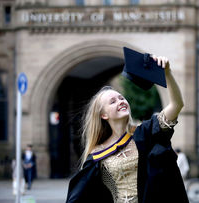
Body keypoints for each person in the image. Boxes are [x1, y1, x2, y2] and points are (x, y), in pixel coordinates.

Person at [66, 55, 189, 203]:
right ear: (103, 115)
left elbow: (177, 105)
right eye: (113, 101)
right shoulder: (97, 153)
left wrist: (167, 74)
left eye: (121, 98)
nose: (121, 101)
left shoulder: (146, 132)